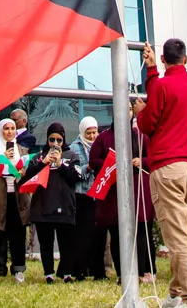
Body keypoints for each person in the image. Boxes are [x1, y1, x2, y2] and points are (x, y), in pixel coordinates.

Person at [138, 39, 187, 308]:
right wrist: (153, 72)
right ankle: (176, 294)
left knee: (177, 238)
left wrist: (141, 112)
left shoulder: (163, 86)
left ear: (164, 59)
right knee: (183, 233)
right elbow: (165, 98)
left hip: (167, 167)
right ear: (185, 59)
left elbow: (149, 122)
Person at [91, 103, 157, 283]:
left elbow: (153, 157)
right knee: (118, 231)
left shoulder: (141, 135)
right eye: (122, 108)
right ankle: (122, 274)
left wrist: (140, 160)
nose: (125, 112)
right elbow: (93, 160)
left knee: (141, 230)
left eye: (129, 109)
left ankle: (140, 272)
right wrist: (112, 162)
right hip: (114, 189)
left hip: (139, 186)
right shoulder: (104, 137)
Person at [20, 123, 84, 283]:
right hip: (43, 206)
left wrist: (61, 164)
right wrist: (43, 163)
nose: (55, 143)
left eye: (59, 140)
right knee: (46, 244)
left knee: (66, 243)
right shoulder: (38, 157)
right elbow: (27, 178)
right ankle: (48, 273)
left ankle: (67, 274)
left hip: (65, 205)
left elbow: (76, 178)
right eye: (52, 139)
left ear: (64, 141)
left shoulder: (72, 155)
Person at [0, 119, 31, 283]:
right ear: (0, 132)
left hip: (17, 195)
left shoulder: (21, 149)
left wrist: (24, 171)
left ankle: (19, 269)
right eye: (6, 129)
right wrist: (2, 159)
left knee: (18, 233)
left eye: (12, 128)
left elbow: (27, 172)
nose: (10, 132)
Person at [70, 116, 106, 281]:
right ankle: (80, 271)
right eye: (89, 133)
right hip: (82, 195)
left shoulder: (101, 145)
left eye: (94, 132)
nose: (92, 136)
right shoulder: (74, 148)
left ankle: (99, 271)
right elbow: (74, 172)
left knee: (99, 235)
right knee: (82, 235)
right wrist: (89, 167)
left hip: (98, 193)